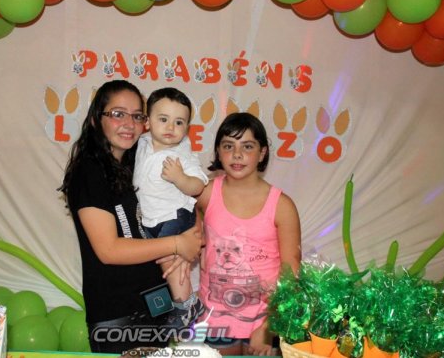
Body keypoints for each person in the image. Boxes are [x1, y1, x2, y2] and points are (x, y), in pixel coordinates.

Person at [59, 80, 203, 354]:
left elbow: (190, 197)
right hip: (118, 314)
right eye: (118, 114)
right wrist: (177, 244)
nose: (129, 123)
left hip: (157, 304)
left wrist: (190, 235)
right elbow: (109, 250)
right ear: (96, 118)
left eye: (137, 116)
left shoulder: (139, 159)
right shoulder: (89, 171)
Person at [196, 112, 301, 356]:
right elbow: (188, 233)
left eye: (247, 146)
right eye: (228, 146)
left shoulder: (282, 205)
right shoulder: (204, 193)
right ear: (218, 152)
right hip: (215, 320)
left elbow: (292, 273)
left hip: (265, 320)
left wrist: (268, 327)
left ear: (262, 153)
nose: (237, 154)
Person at [134, 87, 209, 329]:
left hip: (175, 216)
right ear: (148, 121)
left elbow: (198, 185)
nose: (170, 127)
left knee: (170, 262)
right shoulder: (142, 143)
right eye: (163, 119)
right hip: (151, 218)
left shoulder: (181, 155)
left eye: (179, 122)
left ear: (187, 127)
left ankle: (187, 305)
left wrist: (180, 178)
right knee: (159, 265)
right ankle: (170, 306)